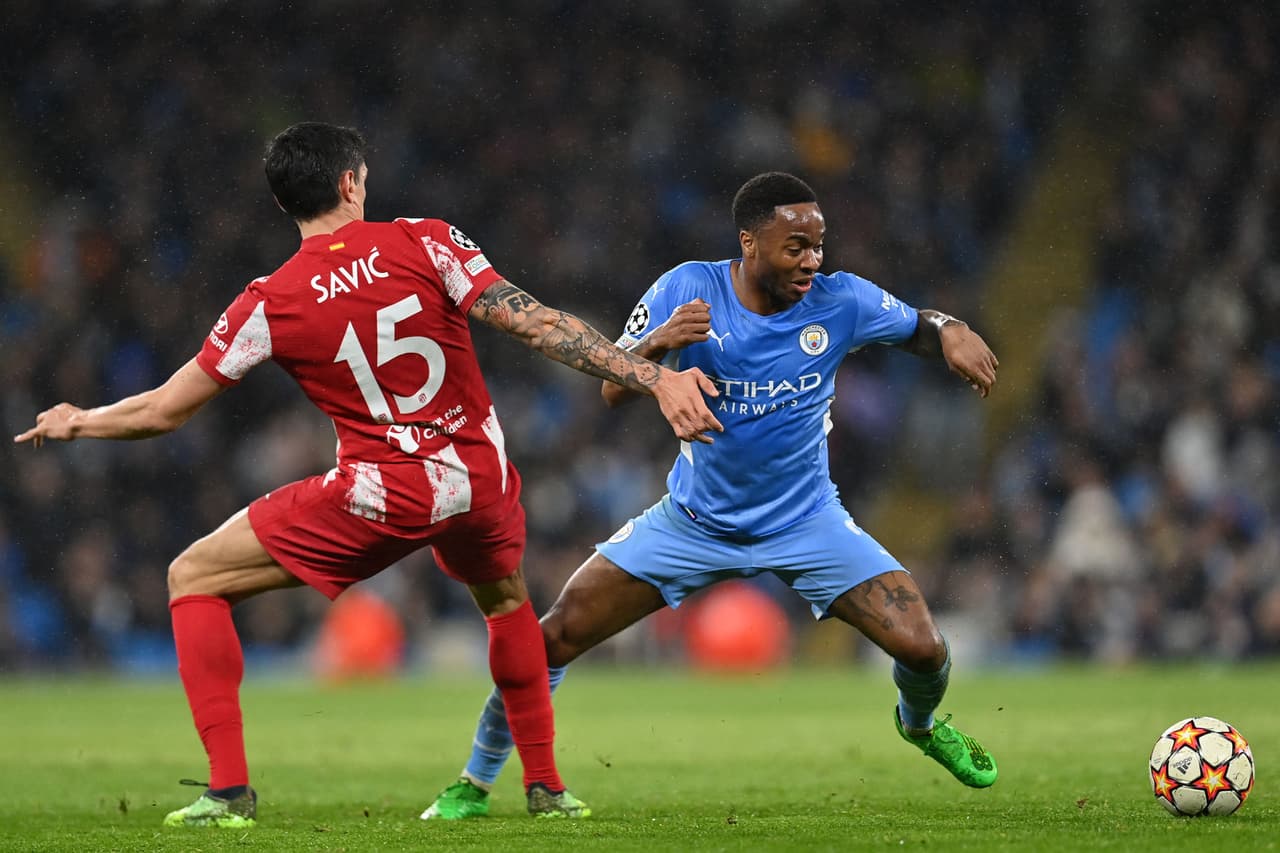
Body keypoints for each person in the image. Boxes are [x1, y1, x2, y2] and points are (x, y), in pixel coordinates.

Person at [12, 122, 723, 828]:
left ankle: (228, 792)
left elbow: (166, 410)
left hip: (382, 493)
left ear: (283, 202)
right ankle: (545, 785)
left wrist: (84, 419)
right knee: (507, 602)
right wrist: (651, 377)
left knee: (192, 576)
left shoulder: (269, 300)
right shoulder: (426, 239)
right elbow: (535, 324)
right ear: (351, 181)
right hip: (479, 478)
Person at [421, 171, 1001, 820]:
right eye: (796, 247)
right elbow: (613, 386)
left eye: (818, 244)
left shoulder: (843, 300)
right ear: (749, 244)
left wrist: (951, 329)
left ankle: (918, 726)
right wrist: (661, 341)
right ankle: (475, 780)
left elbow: (918, 326)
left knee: (925, 647)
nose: (813, 260)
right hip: (692, 523)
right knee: (547, 638)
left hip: (808, 521)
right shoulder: (687, 287)